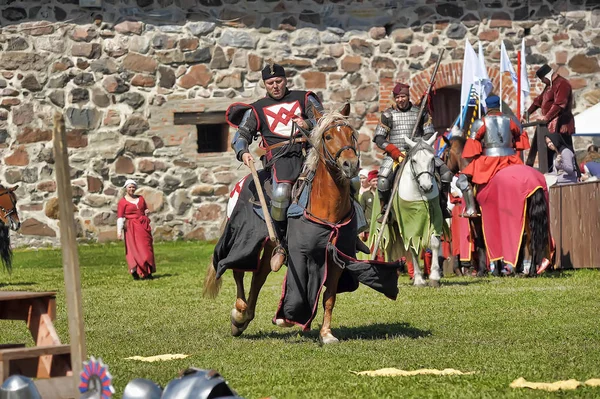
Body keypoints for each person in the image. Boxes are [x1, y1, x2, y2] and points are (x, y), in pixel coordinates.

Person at [227, 63, 326, 271]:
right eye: (270, 83)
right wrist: (243, 151)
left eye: (279, 81)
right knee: (281, 193)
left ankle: (349, 233)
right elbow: (241, 135)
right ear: (265, 84)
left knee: (343, 180)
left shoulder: (305, 98)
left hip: (310, 154)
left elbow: (324, 121)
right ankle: (281, 244)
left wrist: (307, 124)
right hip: (281, 159)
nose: (275, 86)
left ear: (285, 80)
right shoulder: (257, 108)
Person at [372, 82, 452, 221]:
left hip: (418, 151)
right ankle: (385, 210)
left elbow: (429, 132)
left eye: (402, 96)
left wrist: (418, 144)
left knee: (445, 173)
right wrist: (392, 149)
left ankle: (443, 204)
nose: (400, 100)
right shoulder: (388, 115)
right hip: (397, 153)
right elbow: (379, 137)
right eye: (397, 97)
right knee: (383, 181)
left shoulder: (420, 112)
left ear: (408, 97)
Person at [456, 95, 530, 216]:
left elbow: (472, 148)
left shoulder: (481, 122)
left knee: (462, 179)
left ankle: (471, 209)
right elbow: (520, 137)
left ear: (487, 107)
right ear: (498, 106)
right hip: (511, 159)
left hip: (489, 161)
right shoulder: (511, 120)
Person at [525, 64, 575, 151]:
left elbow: (560, 104)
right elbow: (538, 101)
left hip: (561, 125)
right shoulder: (549, 86)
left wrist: (546, 117)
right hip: (551, 126)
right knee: (550, 156)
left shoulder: (562, 84)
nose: (542, 82)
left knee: (565, 153)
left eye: (542, 79)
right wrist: (527, 114)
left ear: (547, 76)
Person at [117, 179, 156, 280]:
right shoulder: (122, 202)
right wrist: (119, 231)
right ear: (126, 188)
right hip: (131, 228)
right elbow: (120, 217)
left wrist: (147, 213)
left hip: (143, 225)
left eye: (133, 187)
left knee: (146, 249)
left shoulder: (141, 199)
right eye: (129, 187)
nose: (132, 189)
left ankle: (148, 271)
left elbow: (144, 210)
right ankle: (135, 271)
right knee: (134, 249)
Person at [359, 169, 378, 241]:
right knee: (372, 248)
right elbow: (361, 212)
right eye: (374, 181)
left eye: (377, 181)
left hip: (381, 225)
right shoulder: (365, 195)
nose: (376, 183)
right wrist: (361, 229)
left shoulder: (382, 194)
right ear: (369, 182)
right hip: (369, 226)